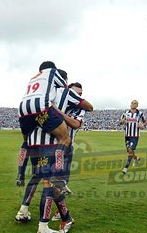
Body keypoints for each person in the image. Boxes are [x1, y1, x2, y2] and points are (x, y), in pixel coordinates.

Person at [16, 82, 90, 232]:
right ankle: (57, 218)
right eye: (75, 93)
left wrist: (57, 112)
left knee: (52, 182)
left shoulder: (78, 109)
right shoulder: (53, 101)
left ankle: (55, 215)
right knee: (45, 180)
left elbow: (75, 124)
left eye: (80, 94)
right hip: (48, 146)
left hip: (64, 149)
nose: (78, 96)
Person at [17, 61, 92, 191]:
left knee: (25, 143)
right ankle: (58, 174)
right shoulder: (54, 76)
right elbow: (64, 86)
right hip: (42, 109)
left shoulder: (33, 78)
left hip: (23, 108)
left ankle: (20, 173)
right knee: (65, 139)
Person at [119, 100, 147, 174]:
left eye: (135, 103)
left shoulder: (140, 114)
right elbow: (120, 121)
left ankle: (126, 167)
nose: (133, 104)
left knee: (131, 150)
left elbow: (145, 121)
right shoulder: (125, 113)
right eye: (132, 103)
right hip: (127, 135)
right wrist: (122, 121)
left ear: (137, 105)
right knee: (129, 151)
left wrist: (142, 125)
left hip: (135, 135)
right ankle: (136, 158)